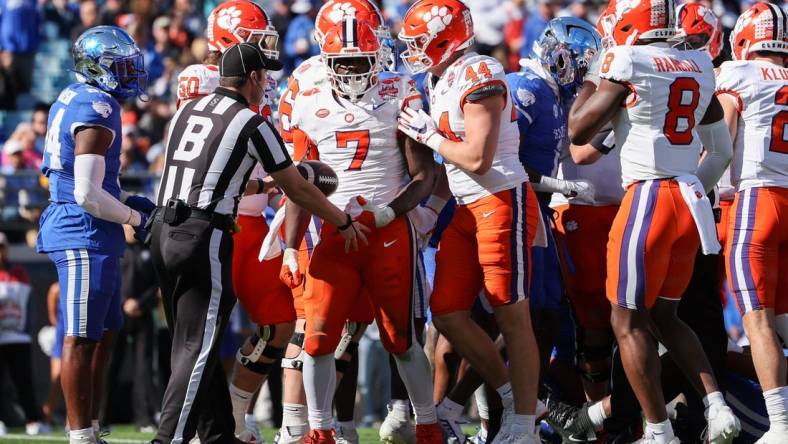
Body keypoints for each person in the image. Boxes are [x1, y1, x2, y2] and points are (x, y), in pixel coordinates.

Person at [150, 42, 367, 444]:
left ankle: (218, 434)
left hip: (163, 228)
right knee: (196, 347)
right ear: (253, 78)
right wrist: (340, 219)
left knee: (196, 339)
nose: (266, 82)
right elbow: (298, 190)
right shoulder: (252, 122)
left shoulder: (186, 111)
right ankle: (169, 439)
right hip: (204, 232)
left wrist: (261, 183)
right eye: (264, 75)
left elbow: (220, 175)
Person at [567, 0, 739, 442]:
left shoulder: (627, 58)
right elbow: (719, 152)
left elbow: (577, 131)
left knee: (627, 323)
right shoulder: (699, 62)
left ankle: (658, 431)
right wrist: (691, 191)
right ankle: (717, 408)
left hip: (647, 197)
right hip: (688, 200)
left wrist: (593, 75)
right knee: (668, 316)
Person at [281, 15, 443, 444]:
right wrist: (289, 248)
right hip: (334, 232)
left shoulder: (399, 91)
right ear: (327, 60)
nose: (352, 70)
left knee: (400, 337)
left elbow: (424, 175)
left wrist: (389, 213)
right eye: (344, 62)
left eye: (361, 61)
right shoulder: (307, 98)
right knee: (317, 338)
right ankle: (320, 430)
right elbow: (299, 183)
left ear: (377, 57)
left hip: (387, 233)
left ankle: (426, 423)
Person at [398, 0, 542, 442]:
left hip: (501, 200)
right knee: (446, 312)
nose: (415, 52)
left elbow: (478, 159)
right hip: (465, 206)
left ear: (446, 39)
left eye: (421, 43)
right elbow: (452, 169)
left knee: (511, 315)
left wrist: (429, 136)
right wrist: (426, 211)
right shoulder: (437, 77)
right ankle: (516, 398)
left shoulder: (481, 74)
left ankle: (523, 426)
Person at [176, 2, 291, 441]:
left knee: (279, 325)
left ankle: (238, 413)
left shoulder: (263, 80)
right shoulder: (200, 80)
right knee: (202, 339)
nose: (262, 49)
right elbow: (200, 163)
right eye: (253, 39)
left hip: (256, 223)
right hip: (215, 221)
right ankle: (192, 426)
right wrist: (264, 188)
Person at [36, 26, 152, 444]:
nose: (129, 73)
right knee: (82, 334)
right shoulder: (97, 106)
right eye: (120, 66)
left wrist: (128, 202)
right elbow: (86, 193)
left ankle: (91, 424)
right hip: (81, 227)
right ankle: (80, 433)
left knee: (106, 330)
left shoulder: (76, 95)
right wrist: (136, 220)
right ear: (97, 67)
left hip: (92, 227)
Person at [717, 3, 788, 441]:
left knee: (756, 321)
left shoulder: (737, 74)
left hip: (754, 200)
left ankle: (780, 426)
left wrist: (708, 191)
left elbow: (722, 144)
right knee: (782, 320)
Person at [0, 232, 48, 435]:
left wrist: (26, 331)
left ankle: (33, 420)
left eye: (2, 248)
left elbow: (29, 305)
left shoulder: (20, 272)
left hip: (19, 338)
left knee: (24, 382)